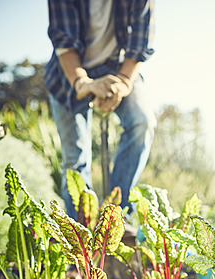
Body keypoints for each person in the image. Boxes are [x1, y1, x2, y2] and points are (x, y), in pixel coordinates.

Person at [44, 0, 157, 241]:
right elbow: (64, 41)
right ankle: (80, 236)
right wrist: (83, 83)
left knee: (142, 121)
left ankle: (117, 218)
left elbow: (139, 45)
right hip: (69, 75)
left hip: (119, 68)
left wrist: (124, 83)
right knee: (75, 159)